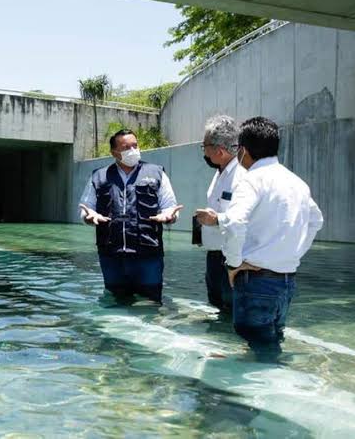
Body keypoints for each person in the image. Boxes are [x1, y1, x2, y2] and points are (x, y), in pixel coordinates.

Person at [195, 117, 323, 358]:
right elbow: (317, 221)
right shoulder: (297, 182)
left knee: (257, 351)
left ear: (242, 150)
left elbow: (235, 222)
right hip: (286, 280)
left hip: (255, 279)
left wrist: (233, 264)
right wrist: (291, 256)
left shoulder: (251, 180)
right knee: (271, 345)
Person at [79, 129, 183, 303]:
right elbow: (86, 208)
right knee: (115, 303)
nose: (133, 150)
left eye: (135, 145)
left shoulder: (156, 173)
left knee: (150, 302)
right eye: (126, 147)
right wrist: (88, 216)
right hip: (111, 255)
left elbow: (170, 207)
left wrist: (170, 216)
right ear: (114, 152)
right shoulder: (99, 176)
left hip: (148, 255)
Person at [198, 115, 246, 313]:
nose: (204, 151)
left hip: (231, 257)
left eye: (205, 146)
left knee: (231, 309)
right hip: (215, 255)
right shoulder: (220, 172)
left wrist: (216, 219)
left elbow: (242, 219)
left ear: (219, 150)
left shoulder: (241, 175)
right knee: (218, 305)